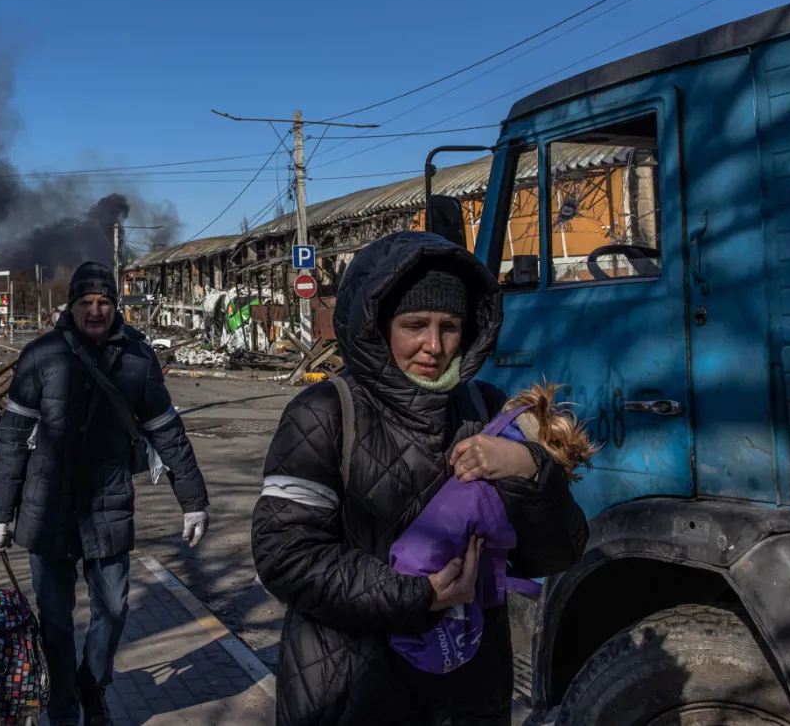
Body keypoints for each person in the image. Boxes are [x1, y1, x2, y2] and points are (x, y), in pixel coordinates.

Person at [251, 231, 589, 726]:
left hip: (469, 693)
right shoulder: (325, 413)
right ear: (378, 325)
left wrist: (529, 470)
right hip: (349, 690)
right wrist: (419, 595)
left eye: (449, 326)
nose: (434, 346)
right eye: (415, 325)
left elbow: (559, 553)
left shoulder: (487, 408)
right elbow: (284, 555)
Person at [0, 261, 211, 726]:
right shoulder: (40, 356)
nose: (96, 311)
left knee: (113, 610)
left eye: (104, 302)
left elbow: (167, 432)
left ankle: (93, 685)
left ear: (115, 305)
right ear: (72, 306)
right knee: (55, 620)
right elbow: (11, 439)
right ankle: (65, 709)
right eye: (87, 303)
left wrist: (193, 501)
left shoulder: (137, 359)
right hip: (46, 509)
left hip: (108, 506)